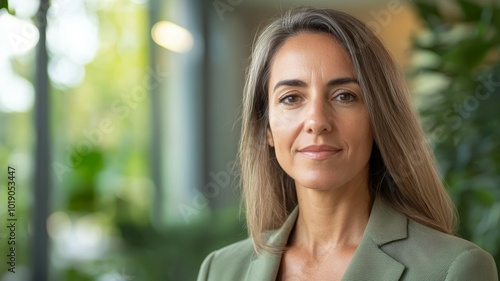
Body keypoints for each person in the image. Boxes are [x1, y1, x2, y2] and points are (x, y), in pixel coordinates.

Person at [197, 7, 498, 281]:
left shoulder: (454, 268)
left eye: (344, 96)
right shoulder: (220, 270)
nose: (317, 120)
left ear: (378, 119)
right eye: (291, 98)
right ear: (267, 129)